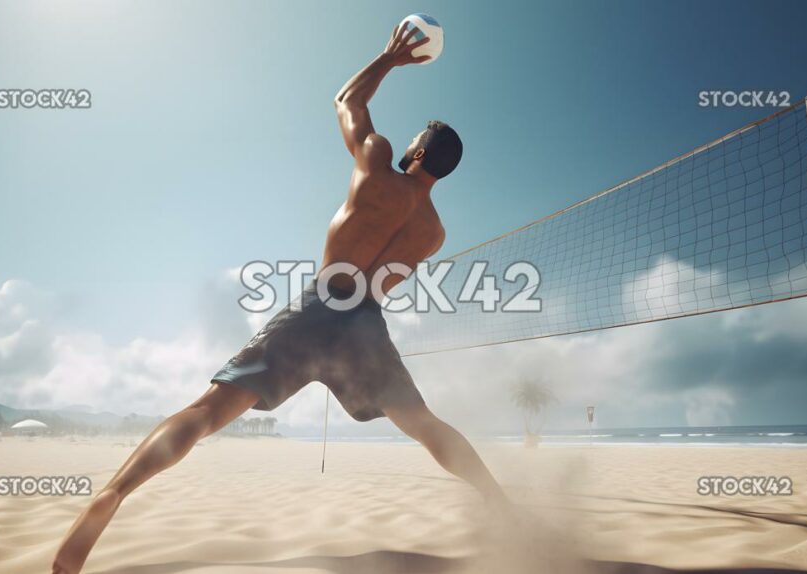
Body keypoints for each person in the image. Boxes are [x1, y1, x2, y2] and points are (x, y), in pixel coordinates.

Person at [53, 25, 506, 574]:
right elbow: (383, 283)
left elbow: (347, 99)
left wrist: (389, 59)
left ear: (415, 149)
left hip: (319, 306)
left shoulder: (377, 158)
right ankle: (499, 501)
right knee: (423, 423)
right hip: (364, 324)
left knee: (206, 412)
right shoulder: (433, 233)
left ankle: (114, 495)